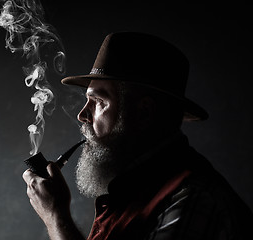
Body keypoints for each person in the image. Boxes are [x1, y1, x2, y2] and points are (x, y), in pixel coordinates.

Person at [22, 32, 253, 240]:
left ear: (143, 112)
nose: (83, 115)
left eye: (99, 101)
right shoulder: (132, 195)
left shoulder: (194, 200)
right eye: (87, 100)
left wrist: (56, 218)